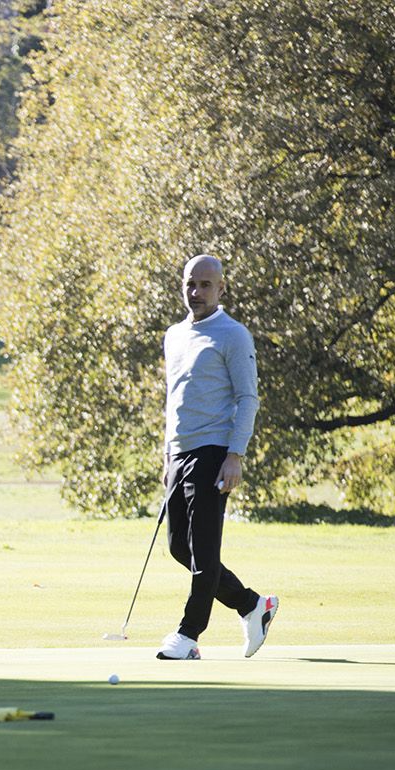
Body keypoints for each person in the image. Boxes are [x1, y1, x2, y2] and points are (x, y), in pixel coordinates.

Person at [157, 255, 277, 661]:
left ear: (221, 288)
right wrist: (167, 454)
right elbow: (174, 400)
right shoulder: (174, 335)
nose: (197, 292)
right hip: (180, 452)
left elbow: (248, 398)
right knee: (179, 548)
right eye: (191, 283)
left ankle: (188, 636)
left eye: (206, 285)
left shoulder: (233, 335)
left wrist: (235, 455)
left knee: (204, 550)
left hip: (214, 451)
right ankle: (250, 605)